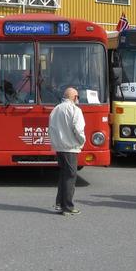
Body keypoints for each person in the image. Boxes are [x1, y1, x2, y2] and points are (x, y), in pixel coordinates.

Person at [48, 87, 86, 215]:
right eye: (78, 97)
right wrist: (82, 141)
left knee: (63, 176)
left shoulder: (56, 109)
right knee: (70, 176)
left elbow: (51, 129)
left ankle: (59, 204)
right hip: (70, 148)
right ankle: (68, 207)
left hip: (59, 147)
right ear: (75, 97)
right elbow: (78, 129)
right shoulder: (75, 109)